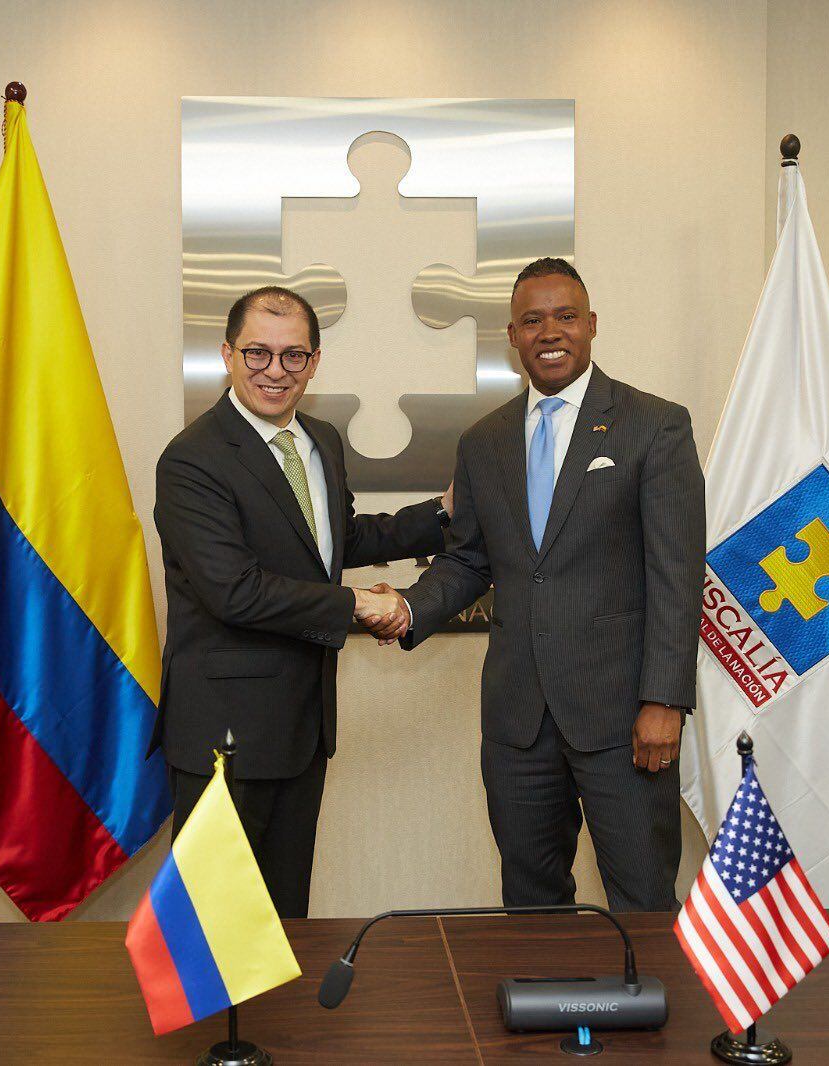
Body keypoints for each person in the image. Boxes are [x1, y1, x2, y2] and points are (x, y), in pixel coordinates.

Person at [360, 258, 705, 912]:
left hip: (624, 718)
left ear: (592, 326)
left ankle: (655, 1017)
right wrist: (409, 609)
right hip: (518, 720)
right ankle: (547, 1015)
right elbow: (467, 562)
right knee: (530, 901)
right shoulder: (483, 442)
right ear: (512, 337)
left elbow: (676, 575)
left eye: (566, 316)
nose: (551, 332)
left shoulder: (653, 426)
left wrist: (665, 700)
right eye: (532, 320)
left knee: (642, 896)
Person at [153, 285, 450, 918]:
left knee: (285, 918)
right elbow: (234, 590)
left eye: (294, 356)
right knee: (215, 928)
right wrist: (358, 608)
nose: (275, 371)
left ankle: (278, 1025)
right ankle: (213, 1026)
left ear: (314, 362)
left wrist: (443, 515)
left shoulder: (319, 440)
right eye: (258, 353)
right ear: (228, 355)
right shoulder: (192, 460)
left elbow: (335, 541)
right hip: (224, 732)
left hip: (303, 725)